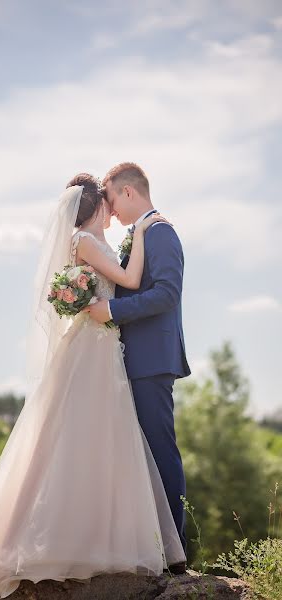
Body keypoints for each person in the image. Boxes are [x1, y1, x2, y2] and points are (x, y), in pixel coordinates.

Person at [0, 173, 187, 599]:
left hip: (107, 349)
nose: (113, 209)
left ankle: (124, 541)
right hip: (96, 350)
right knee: (85, 439)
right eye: (108, 202)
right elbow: (131, 282)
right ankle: (108, 543)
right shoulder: (90, 241)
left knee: (99, 441)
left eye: (116, 199)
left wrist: (141, 239)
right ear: (96, 205)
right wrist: (141, 235)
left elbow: (154, 290)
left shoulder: (117, 238)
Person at [84, 163, 191, 568]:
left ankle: (175, 552)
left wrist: (110, 309)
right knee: (137, 455)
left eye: (110, 199)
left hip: (151, 361)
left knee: (160, 451)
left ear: (128, 192)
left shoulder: (161, 232)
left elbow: (167, 294)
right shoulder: (141, 235)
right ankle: (148, 547)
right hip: (131, 360)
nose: (109, 210)